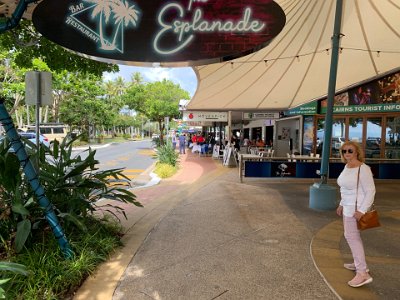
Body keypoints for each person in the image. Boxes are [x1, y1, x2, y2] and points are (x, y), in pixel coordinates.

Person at [336, 141, 375, 288]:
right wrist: (341, 203)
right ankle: (358, 263)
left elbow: (371, 191)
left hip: (355, 209)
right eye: (344, 151)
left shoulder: (363, 169)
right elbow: (345, 188)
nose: (347, 154)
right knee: (352, 237)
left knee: (352, 237)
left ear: (357, 152)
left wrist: (362, 210)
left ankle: (362, 273)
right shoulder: (347, 166)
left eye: (350, 151)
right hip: (347, 207)